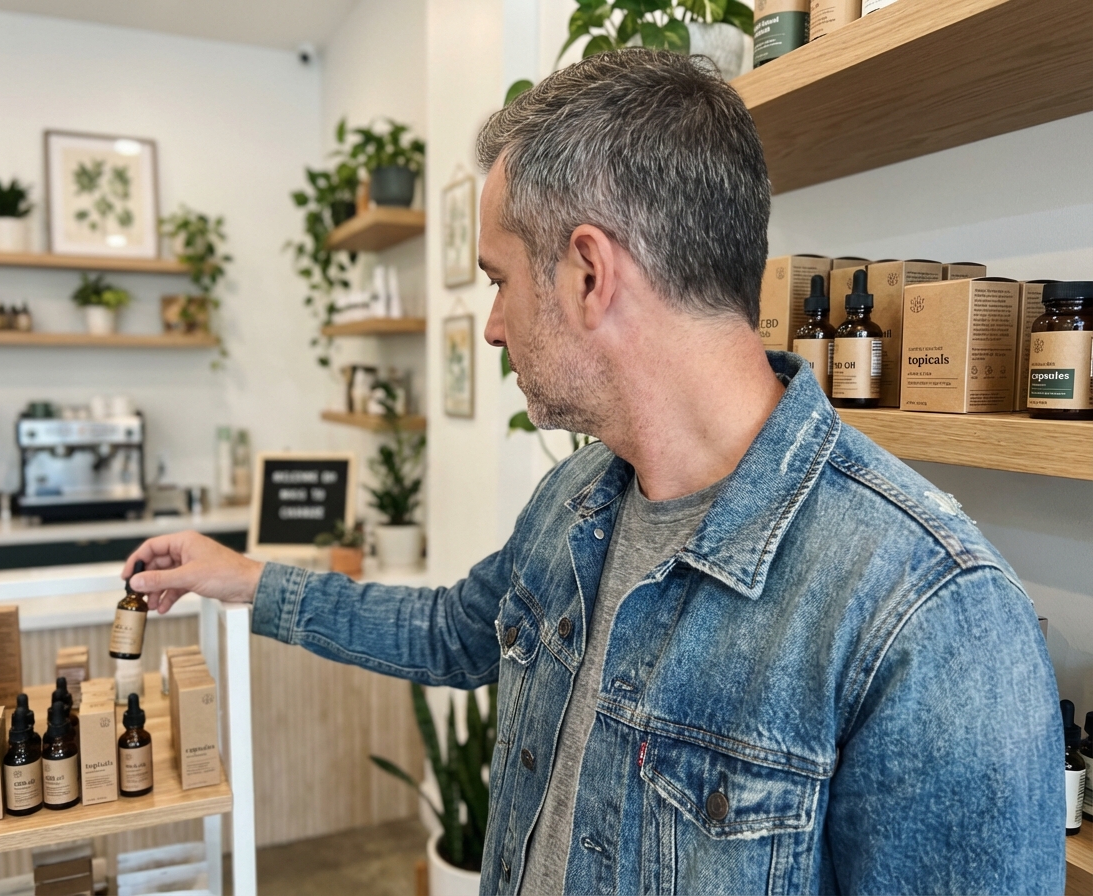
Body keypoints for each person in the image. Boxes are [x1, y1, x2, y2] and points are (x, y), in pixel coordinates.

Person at [124, 49, 1064, 895]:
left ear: (587, 274)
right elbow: (455, 630)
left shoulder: (932, 618)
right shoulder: (575, 500)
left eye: (497, 279)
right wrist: (244, 580)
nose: (491, 326)